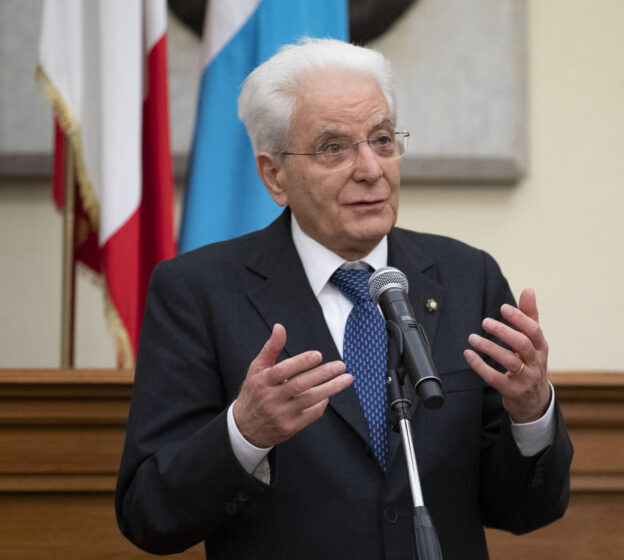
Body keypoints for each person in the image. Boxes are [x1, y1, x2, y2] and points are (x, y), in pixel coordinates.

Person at [115, 38, 572, 559]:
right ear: (274, 175)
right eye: (334, 148)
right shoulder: (198, 292)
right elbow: (149, 514)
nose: (371, 169)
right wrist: (245, 433)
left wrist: (531, 413)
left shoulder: (470, 278)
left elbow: (524, 510)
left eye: (382, 140)